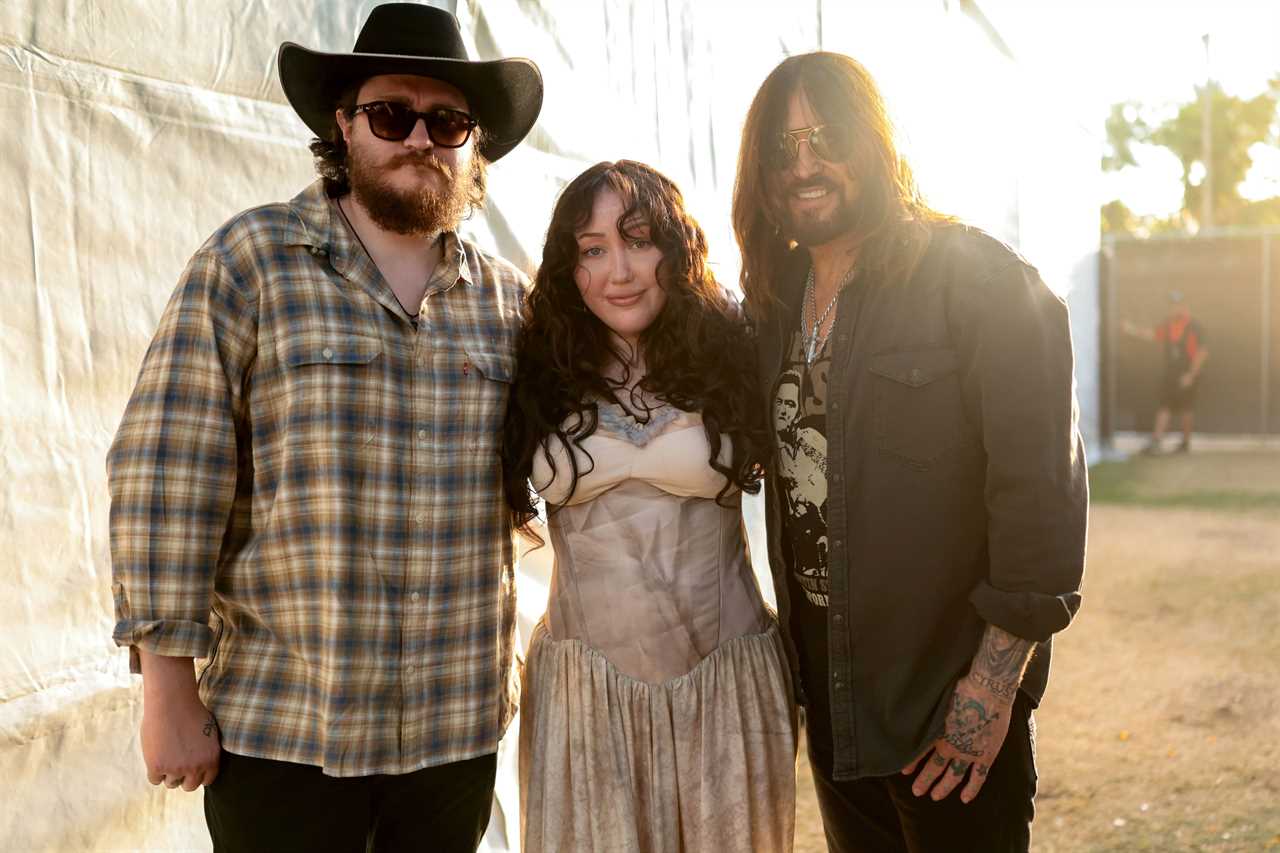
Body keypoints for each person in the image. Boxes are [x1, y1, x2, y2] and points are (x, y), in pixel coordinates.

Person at [107, 5, 542, 850]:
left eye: (447, 122)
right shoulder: (250, 262)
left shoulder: (509, 303)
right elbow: (167, 468)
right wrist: (167, 686)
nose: (420, 138)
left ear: (472, 144)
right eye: (392, 115)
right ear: (344, 125)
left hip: (455, 732)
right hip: (286, 730)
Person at [732, 52, 1088, 852]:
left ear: (875, 140)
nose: (804, 164)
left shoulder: (981, 282)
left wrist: (988, 691)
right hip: (834, 709)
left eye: (827, 138)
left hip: (942, 709)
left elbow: (1042, 505)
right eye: (782, 149)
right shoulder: (774, 302)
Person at [503, 160, 797, 852]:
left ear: (675, 247)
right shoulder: (537, 363)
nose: (619, 271)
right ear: (569, 266)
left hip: (725, 687)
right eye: (592, 249)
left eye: (639, 240)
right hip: (585, 701)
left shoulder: (733, 350)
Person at [1122, 291, 1208, 453]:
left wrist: (1191, 375)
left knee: (1186, 408)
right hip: (1172, 375)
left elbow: (1202, 353)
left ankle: (1185, 443)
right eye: (1172, 305)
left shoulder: (1194, 327)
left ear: (1184, 307)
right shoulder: (1168, 326)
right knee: (1165, 405)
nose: (1174, 308)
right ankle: (1156, 441)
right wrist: (1131, 330)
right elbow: (1152, 334)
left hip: (1187, 374)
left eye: (1177, 305)